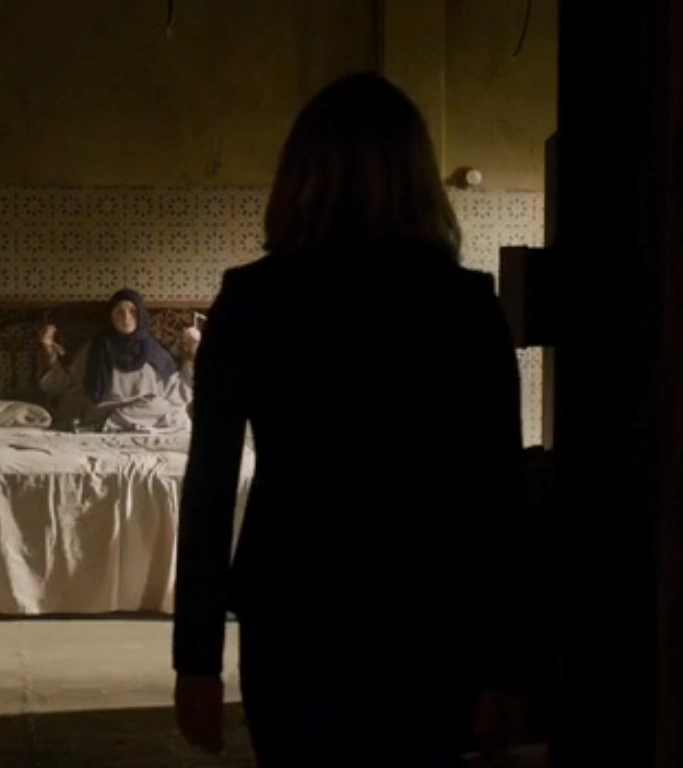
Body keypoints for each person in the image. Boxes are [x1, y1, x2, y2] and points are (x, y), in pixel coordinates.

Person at [171, 72, 532, 766]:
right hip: (428, 607)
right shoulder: (464, 307)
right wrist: (506, 666)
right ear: (416, 178)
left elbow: (208, 490)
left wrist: (197, 660)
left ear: (300, 175)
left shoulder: (251, 302)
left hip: (293, 608)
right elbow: (498, 496)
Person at [37, 288, 199, 432]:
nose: (126, 317)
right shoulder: (96, 348)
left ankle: (109, 425)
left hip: (144, 411)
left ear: (141, 316)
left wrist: (192, 356)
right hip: (105, 409)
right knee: (155, 408)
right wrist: (47, 348)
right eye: (119, 312)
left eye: (132, 311)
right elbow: (63, 384)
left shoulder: (155, 351)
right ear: (110, 316)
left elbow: (179, 394)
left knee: (165, 408)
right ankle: (112, 423)